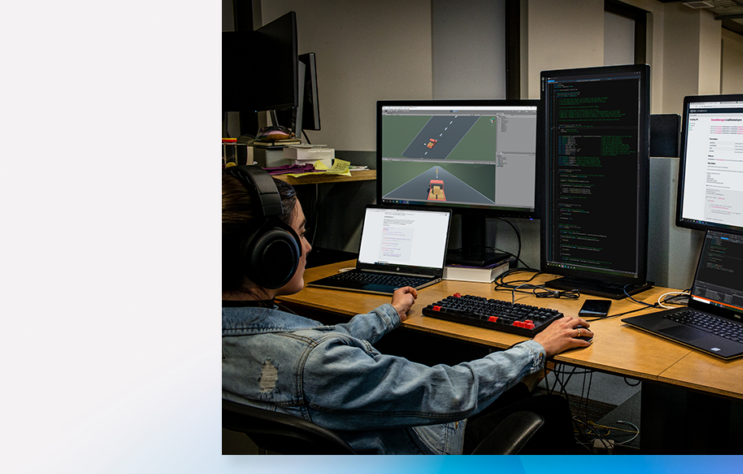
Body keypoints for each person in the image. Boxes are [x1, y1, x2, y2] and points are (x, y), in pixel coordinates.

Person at [222, 167, 593, 454]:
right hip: (416, 456)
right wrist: (538, 347)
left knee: (505, 389)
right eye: (299, 234)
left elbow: (316, 346)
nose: (308, 247)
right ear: (269, 254)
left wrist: (389, 313)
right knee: (550, 409)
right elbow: (449, 390)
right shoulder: (316, 362)